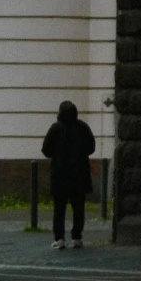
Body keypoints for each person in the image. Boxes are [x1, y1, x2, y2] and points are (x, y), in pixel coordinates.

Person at [41, 101, 96, 251]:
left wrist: (57, 154)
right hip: (80, 174)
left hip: (60, 174)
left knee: (59, 209)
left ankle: (59, 239)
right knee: (78, 208)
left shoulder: (55, 128)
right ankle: (77, 237)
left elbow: (45, 150)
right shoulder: (82, 127)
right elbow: (91, 147)